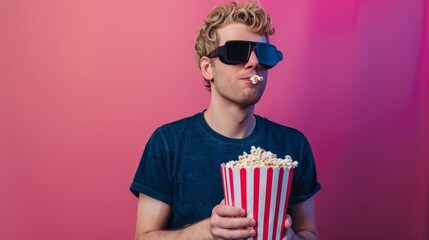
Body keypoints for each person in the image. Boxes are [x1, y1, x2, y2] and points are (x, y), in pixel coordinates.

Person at [130, 1, 321, 239]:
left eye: (264, 54)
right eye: (237, 52)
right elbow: (143, 237)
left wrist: (289, 237)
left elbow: (309, 233)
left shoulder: (293, 145)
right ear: (208, 68)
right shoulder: (168, 143)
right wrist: (208, 231)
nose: (254, 63)